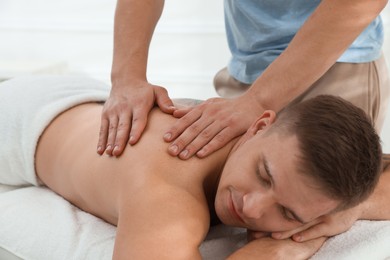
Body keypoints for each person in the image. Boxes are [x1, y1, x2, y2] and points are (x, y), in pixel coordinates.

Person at [0, 76, 387, 259]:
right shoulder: (168, 201)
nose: (251, 209)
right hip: (16, 116)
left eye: (288, 212)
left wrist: (346, 212)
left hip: (83, 100)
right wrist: (277, 251)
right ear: (259, 125)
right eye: (263, 174)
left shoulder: (284, 159)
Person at [98, 0, 390, 159]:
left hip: (336, 63)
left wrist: (259, 100)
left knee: (310, 210)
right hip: (246, 70)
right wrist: (126, 78)